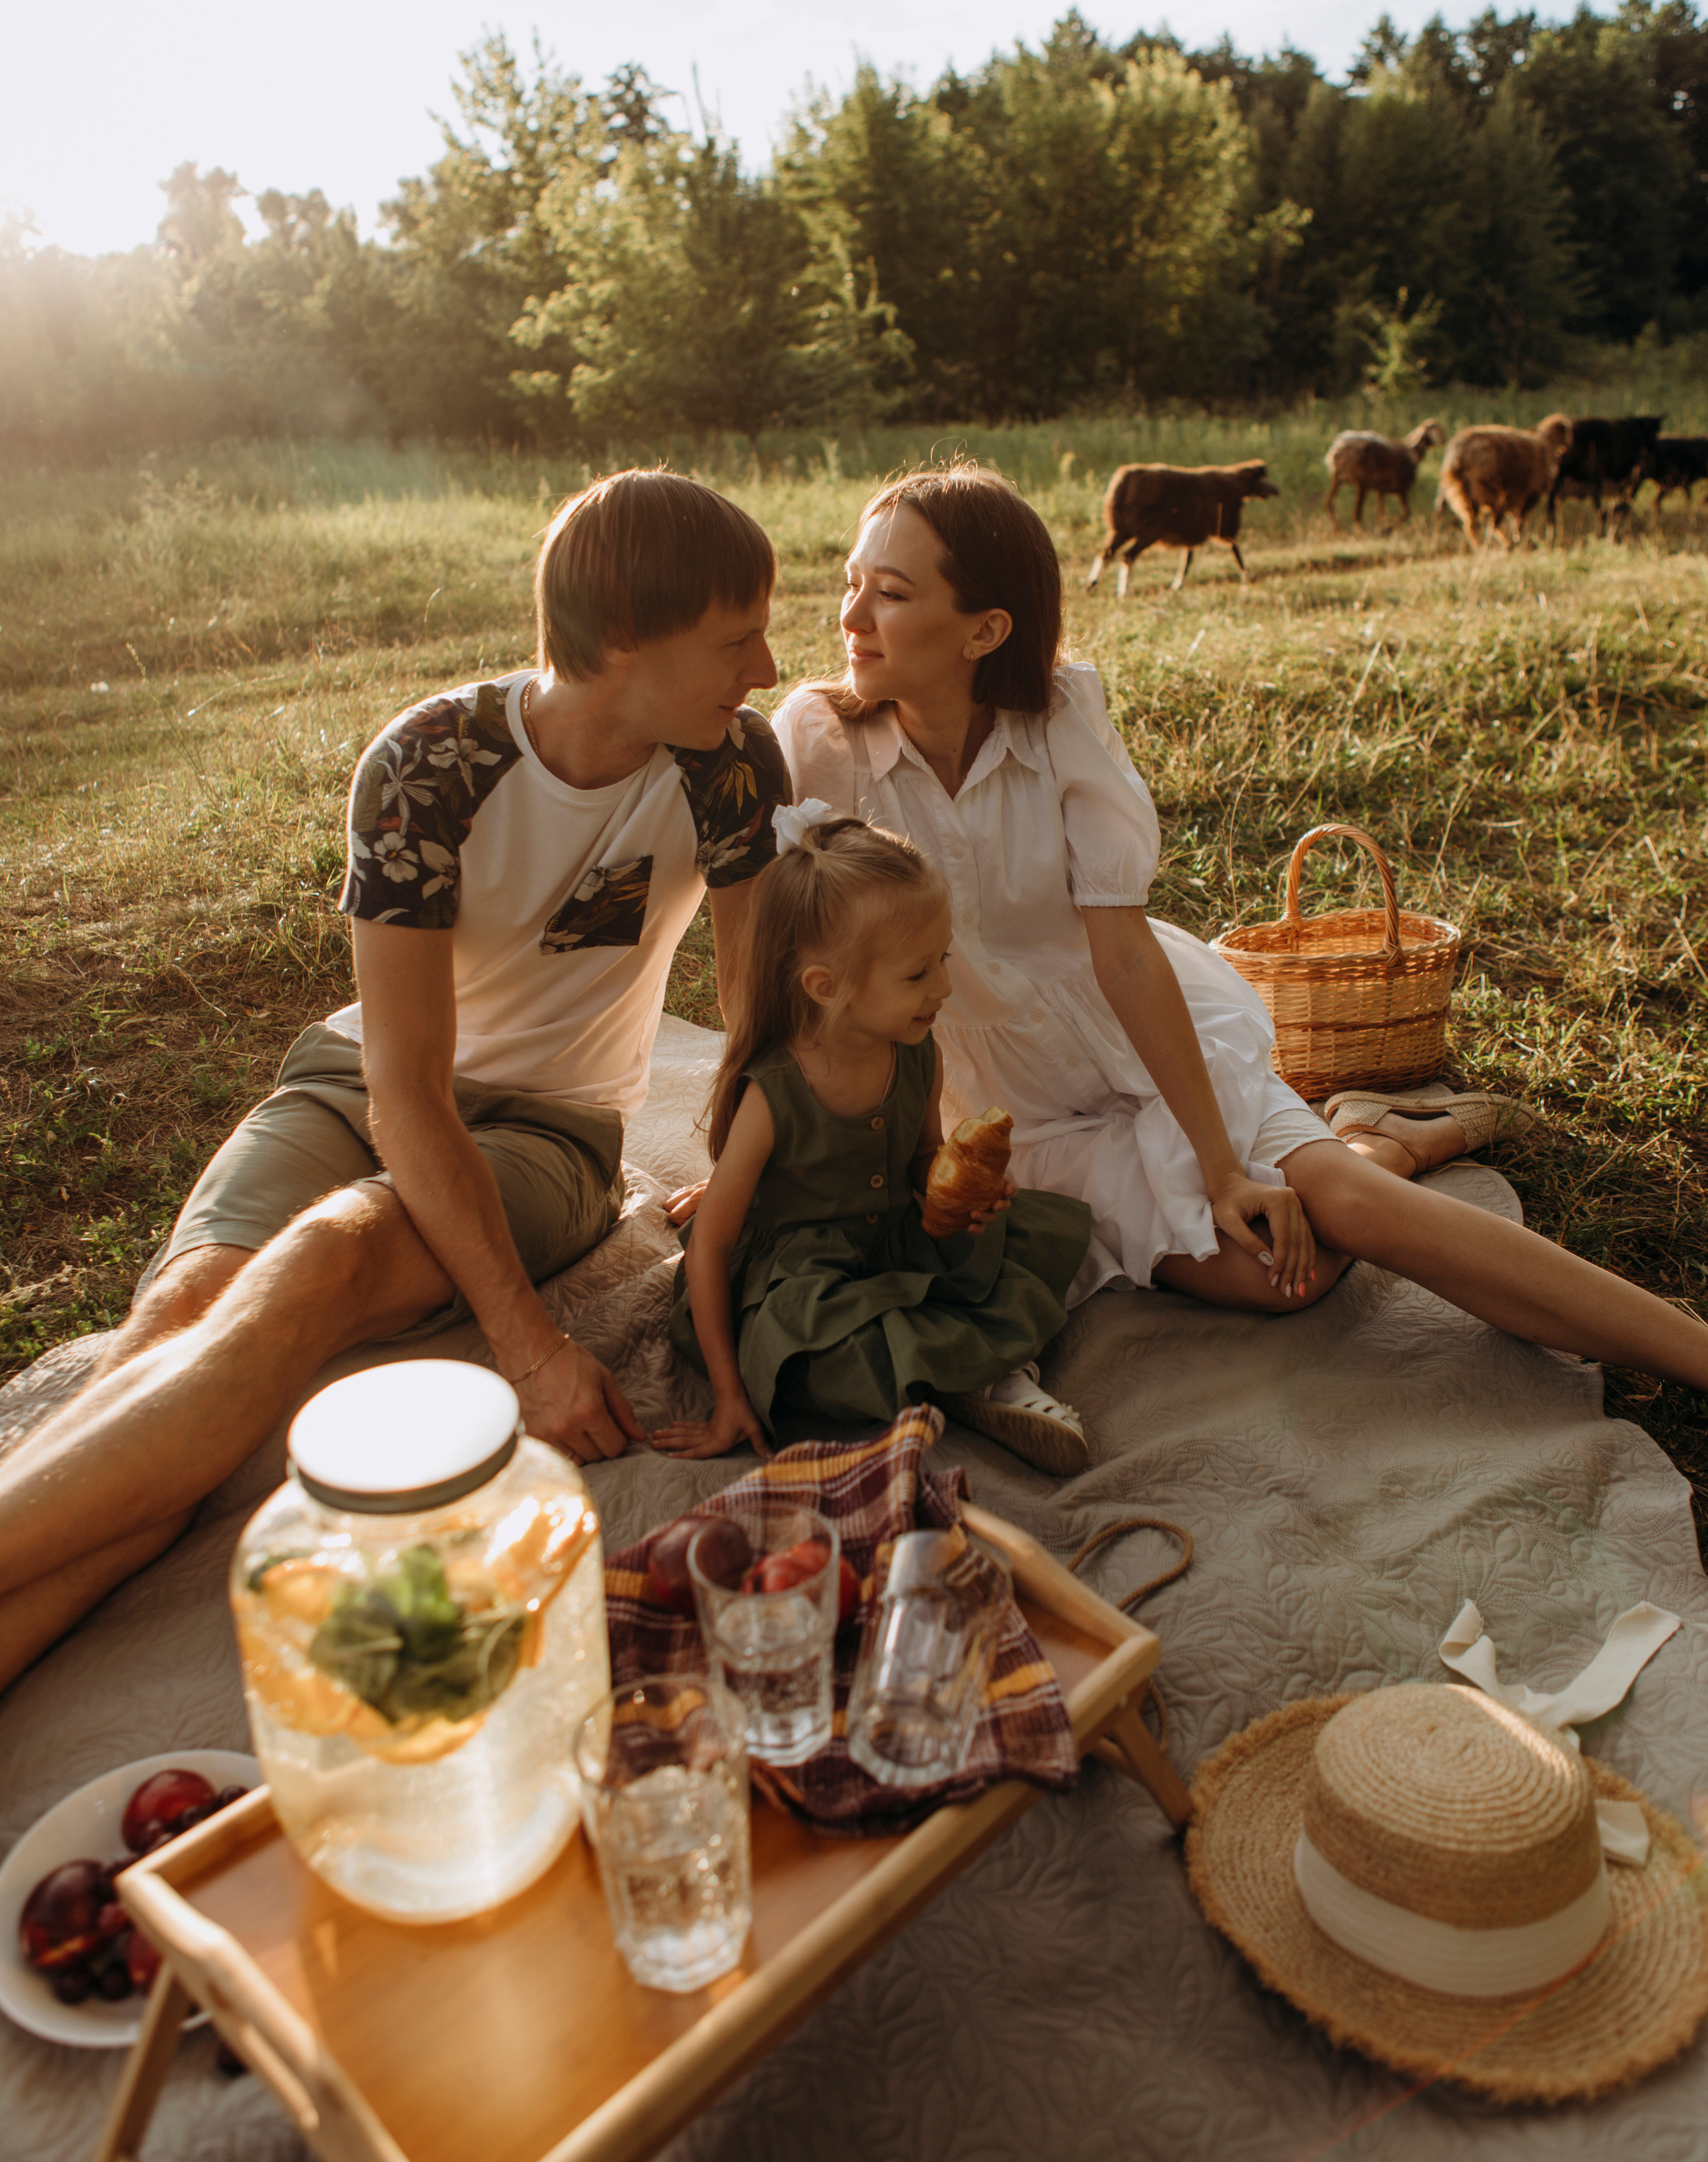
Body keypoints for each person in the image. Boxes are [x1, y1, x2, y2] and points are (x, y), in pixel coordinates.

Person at [0, 469, 789, 1690]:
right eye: (737, 637)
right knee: (175, 1327)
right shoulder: (429, 762)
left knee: (326, 1259)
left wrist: (741, 1156)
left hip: (555, 1131)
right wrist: (532, 1350)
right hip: (359, 1082)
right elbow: (404, 1088)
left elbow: (753, 1005)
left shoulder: (729, 766)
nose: (766, 666)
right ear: (627, 635)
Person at [770, 464, 1708, 1394]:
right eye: (852, 583)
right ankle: (1383, 1136)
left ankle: (1689, 1354)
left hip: (1134, 1034)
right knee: (1281, 1279)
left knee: (1349, 1208)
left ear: (986, 629)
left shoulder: (1057, 719)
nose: (852, 615)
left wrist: (1222, 1170)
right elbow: (791, 965)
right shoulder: (820, 741)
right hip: (1004, 1104)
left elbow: (1124, 955)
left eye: (891, 593)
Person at [656, 811, 1094, 1473]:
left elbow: (920, 1156)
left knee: (1018, 1244)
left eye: (943, 960)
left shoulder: (916, 1052)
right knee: (818, 1353)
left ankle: (951, 1373)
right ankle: (976, 1374)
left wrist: (957, 1192)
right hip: (803, 1275)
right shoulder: (774, 1094)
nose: (944, 987)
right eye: (917, 975)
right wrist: (727, 1396)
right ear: (826, 987)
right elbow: (711, 1247)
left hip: (892, 1239)